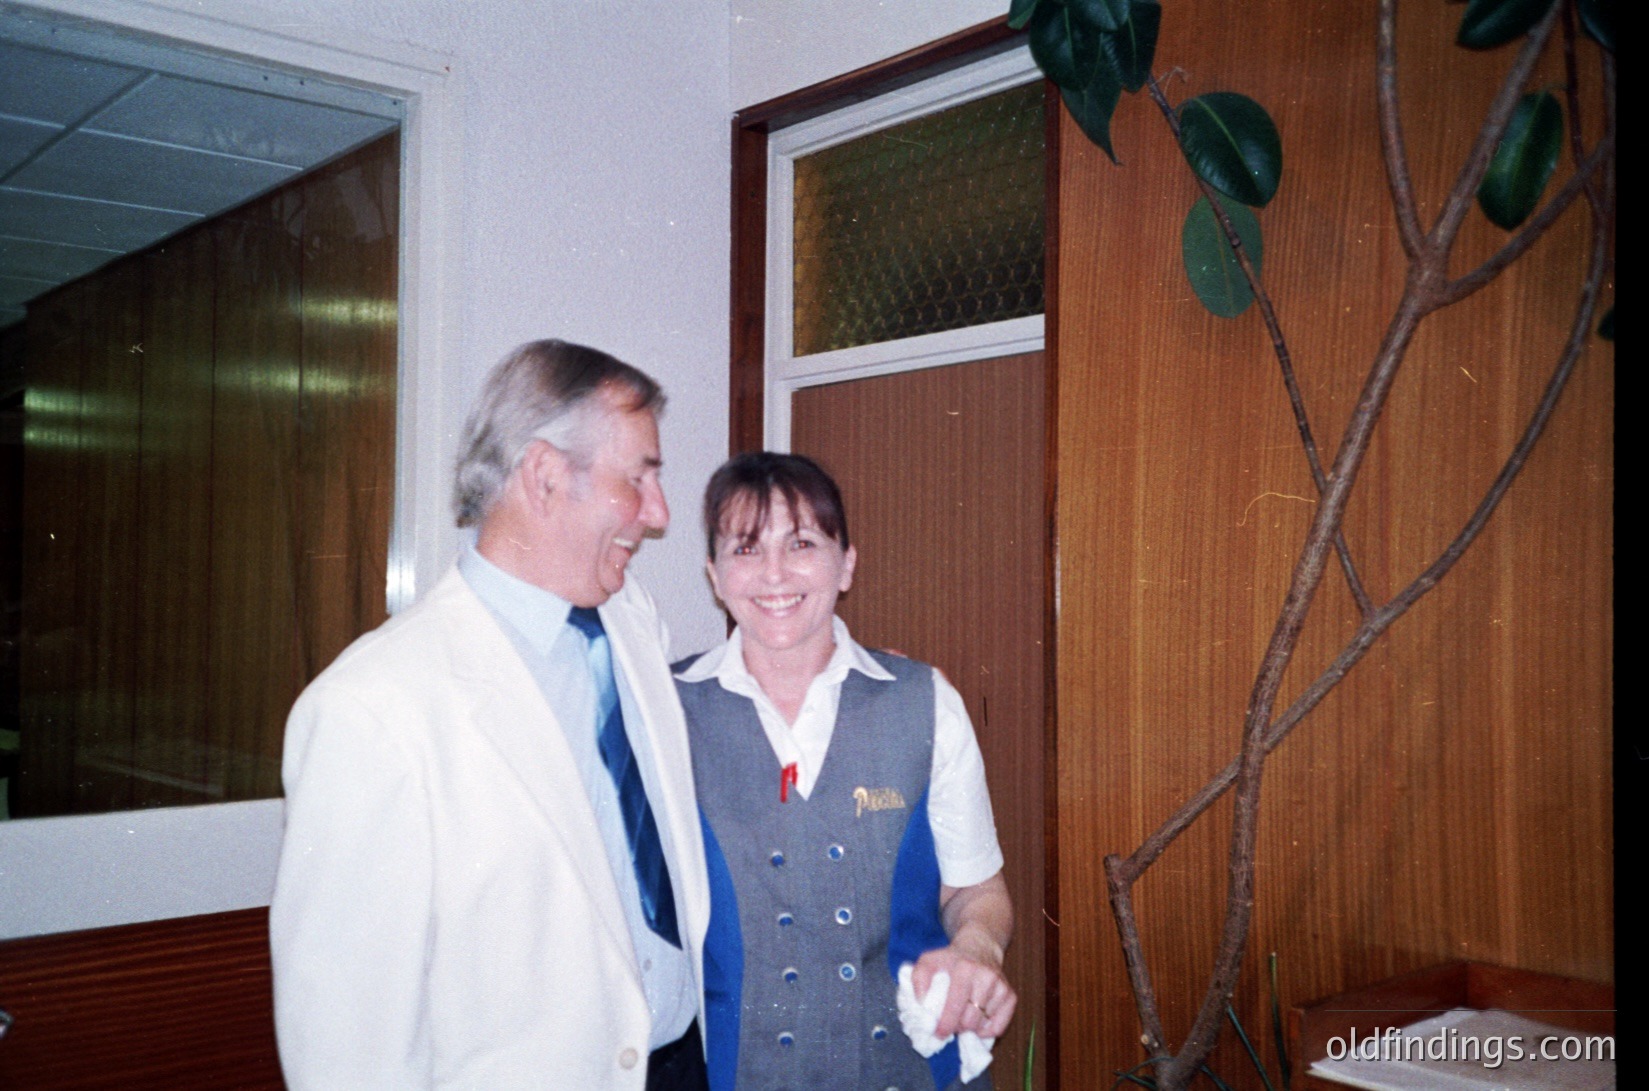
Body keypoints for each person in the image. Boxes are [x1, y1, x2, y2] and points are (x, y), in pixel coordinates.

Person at [270, 340, 710, 1090]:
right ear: (543, 475)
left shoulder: (631, 621)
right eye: (638, 477)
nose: (660, 512)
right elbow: (347, 1051)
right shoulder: (373, 709)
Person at [673, 451, 1016, 1090]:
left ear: (847, 563)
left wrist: (976, 950)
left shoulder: (924, 700)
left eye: (802, 543)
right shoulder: (662, 712)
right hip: (730, 1072)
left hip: (914, 1069)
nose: (773, 573)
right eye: (745, 549)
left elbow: (977, 891)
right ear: (715, 575)